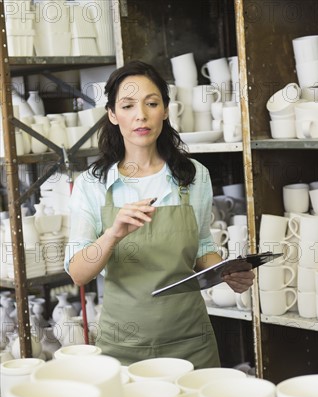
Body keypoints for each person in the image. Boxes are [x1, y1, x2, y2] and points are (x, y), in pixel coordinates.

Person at [65, 60, 254, 368]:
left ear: (165, 110)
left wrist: (227, 272)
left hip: (190, 341)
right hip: (123, 347)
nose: (141, 115)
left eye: (151, 103)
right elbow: (78, 273)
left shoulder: (193, 176)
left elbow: (202, 246)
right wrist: (113, 234)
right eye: (127, 106)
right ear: (112, 114)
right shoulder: (92, 184)